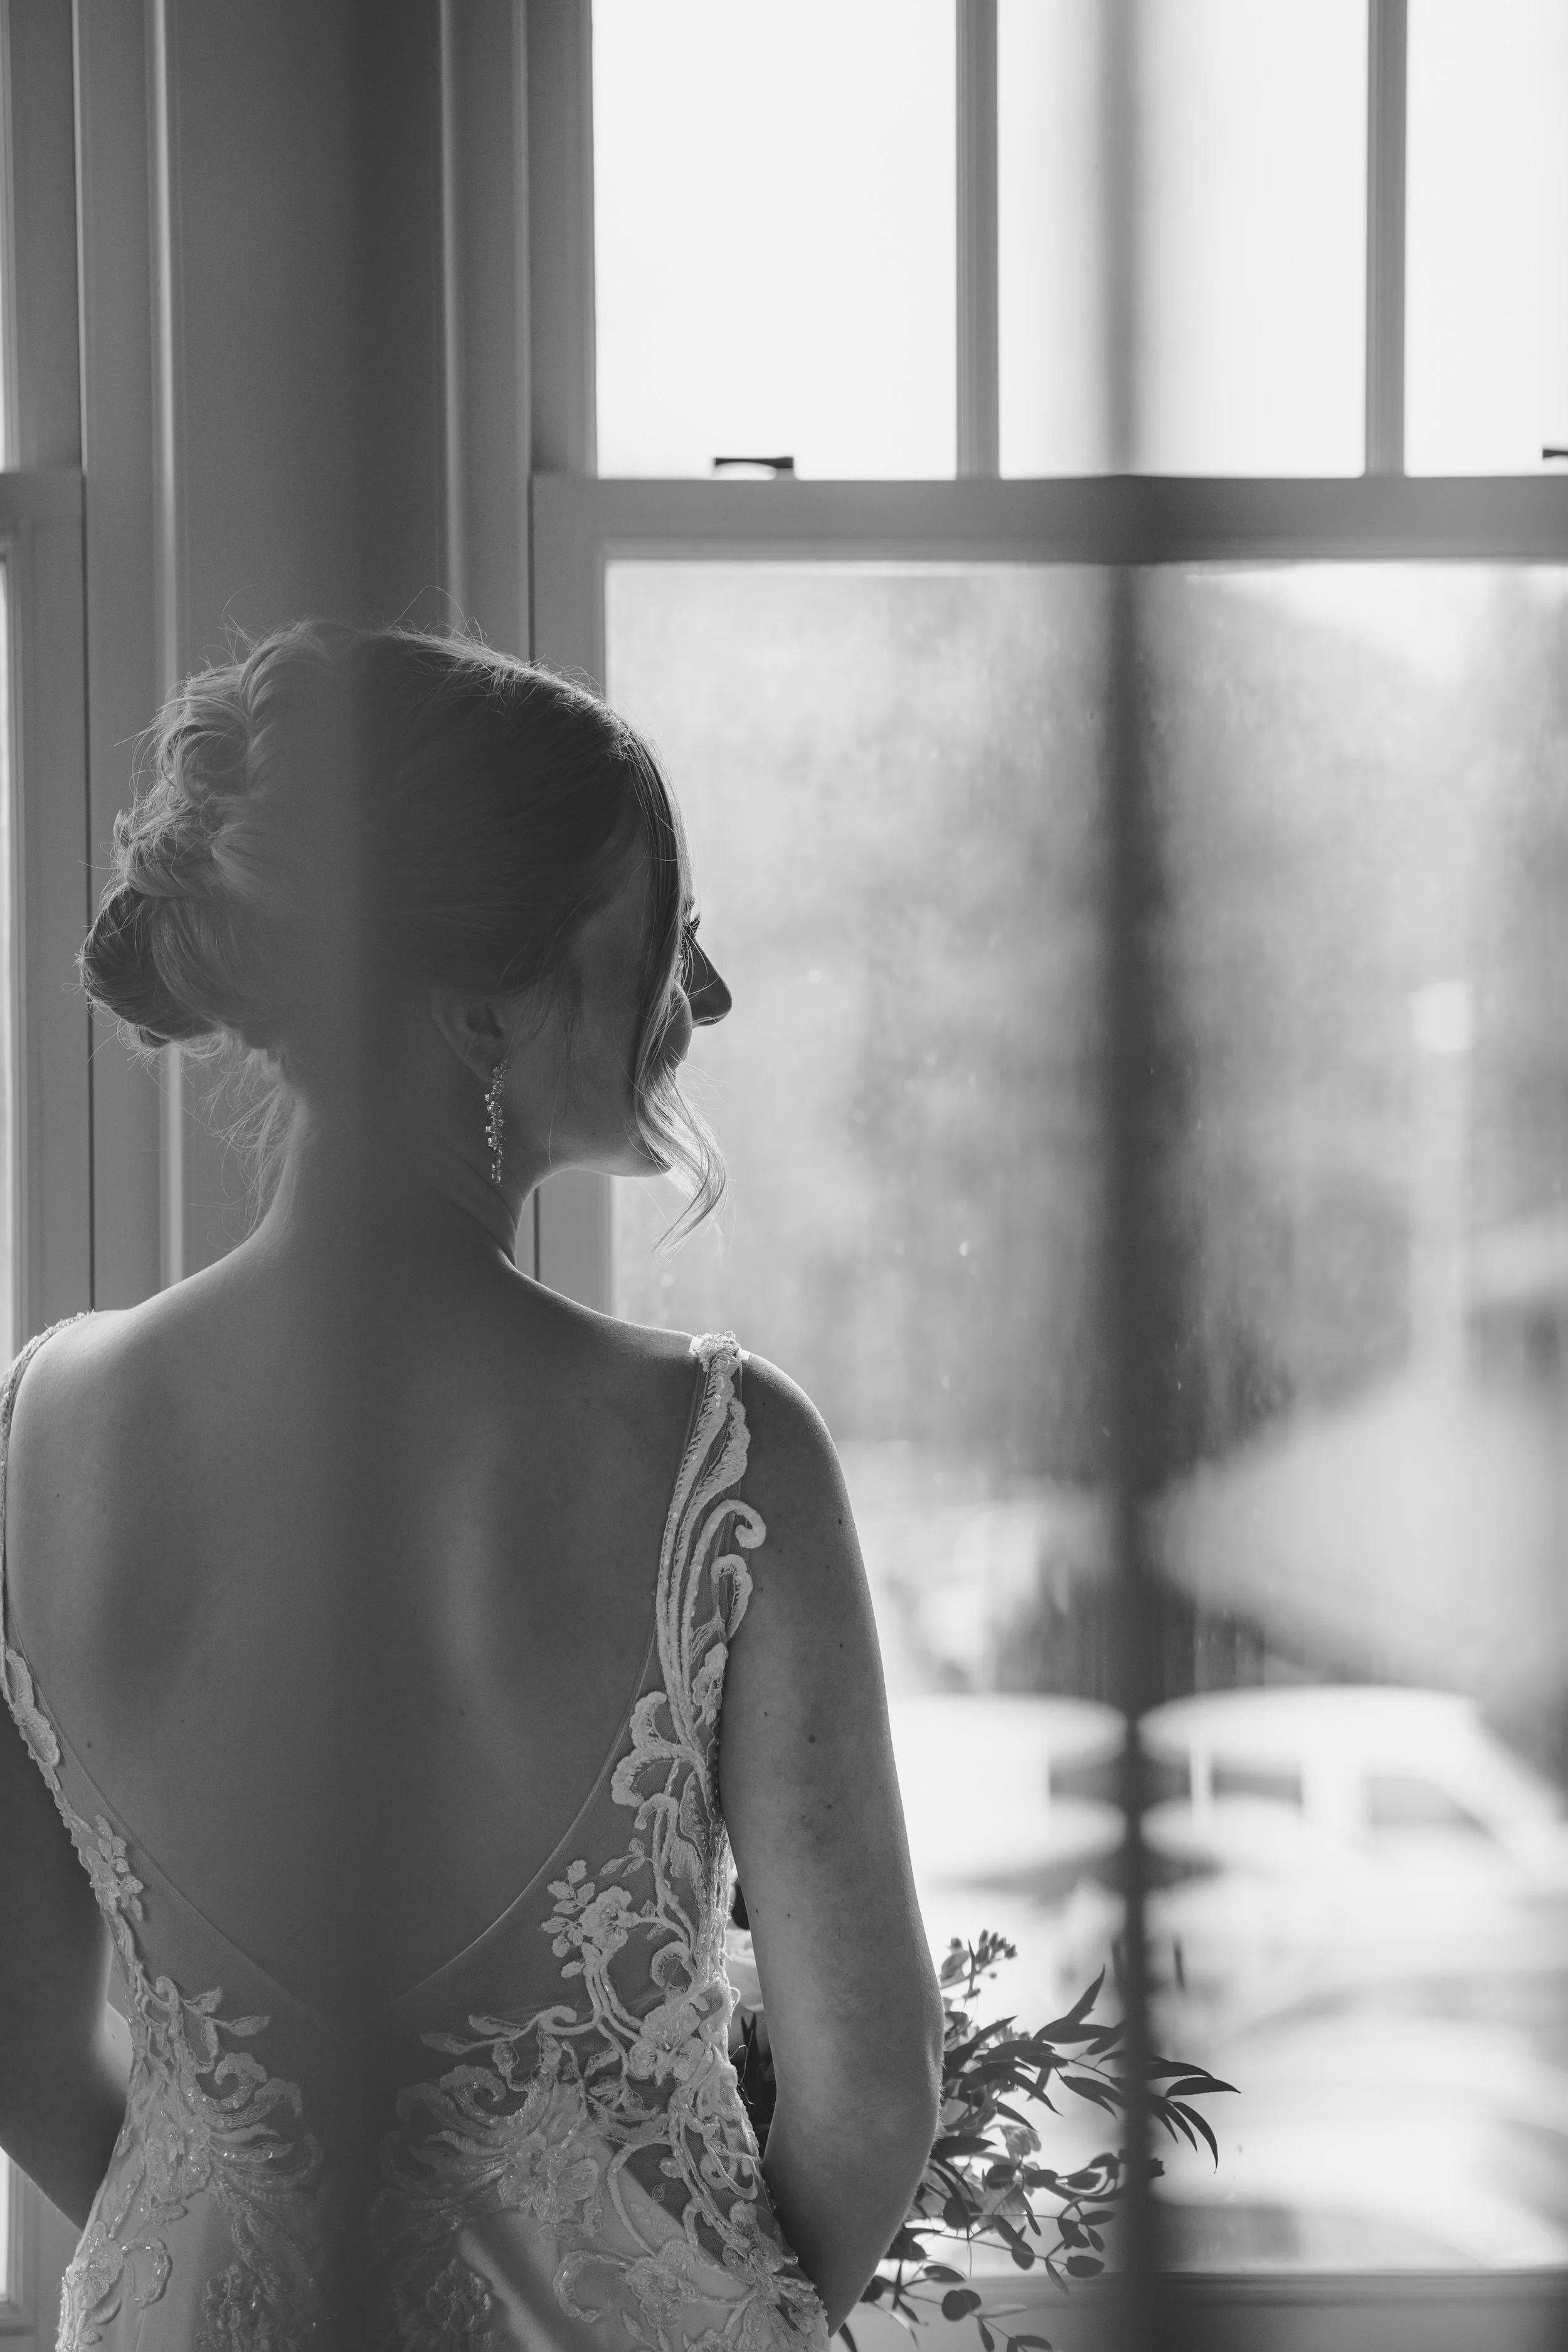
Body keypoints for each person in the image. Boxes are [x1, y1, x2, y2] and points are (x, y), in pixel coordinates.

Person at [0, 623, 945, 2349]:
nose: (704, 999)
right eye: (670, 933)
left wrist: (223, 2239)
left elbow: (11, 2031)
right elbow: (872, 2092)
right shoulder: (722, 1458)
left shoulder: (39, 1428)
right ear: (480, 1001)